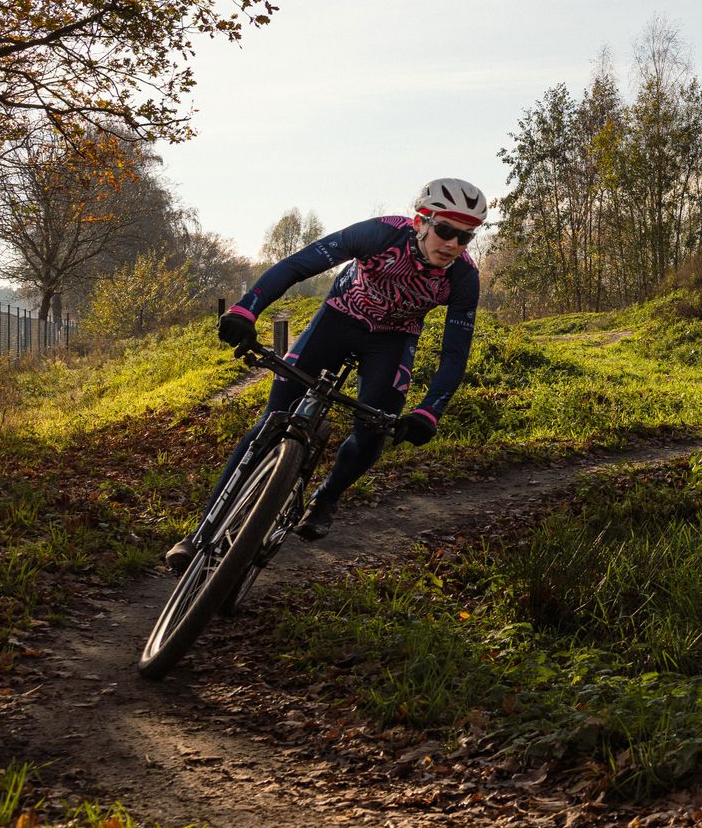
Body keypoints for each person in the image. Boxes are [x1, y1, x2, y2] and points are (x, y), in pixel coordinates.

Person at [164, 178, 487, 570]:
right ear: (421, 220)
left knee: (374, 431)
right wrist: (246, 310)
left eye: (465, 237)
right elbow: (297, 265)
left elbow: (455, 353)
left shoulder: (464, 278)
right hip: (338, 318)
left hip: (393, 340)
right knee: (272, 419)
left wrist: (429, 412)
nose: (452, 244)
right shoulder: (381, 232)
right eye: (445, 230)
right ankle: (200, 535)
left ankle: (327, 497)